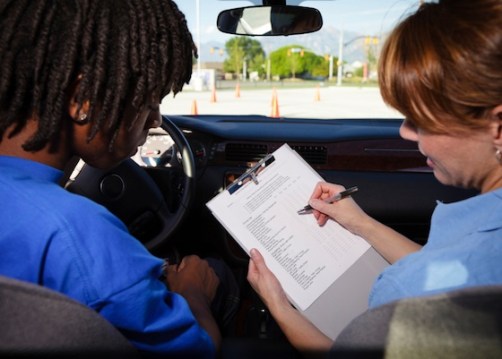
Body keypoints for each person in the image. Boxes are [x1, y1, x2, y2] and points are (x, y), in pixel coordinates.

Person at [247, 0, 502, 355]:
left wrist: (277, 305)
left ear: (498, 127)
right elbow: (438, 267)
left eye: (419, 120)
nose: (405, 133)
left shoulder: (406, 299)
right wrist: (360, 223)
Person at [0, 0, 223, 357]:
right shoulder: (78, 234)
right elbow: (197, 348)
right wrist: (193, 292)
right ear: (82, 98)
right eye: (150, 102)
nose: (155, 119)